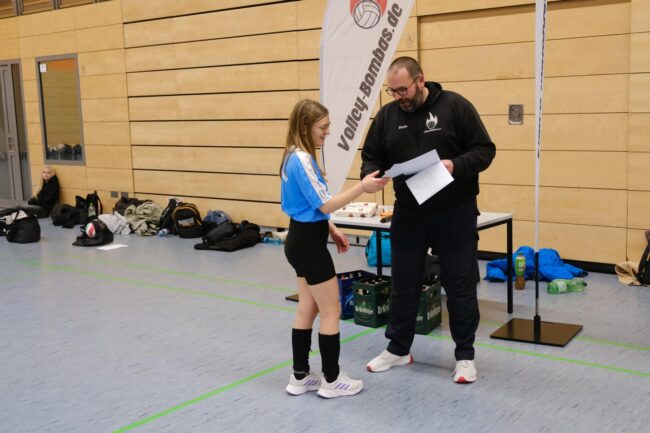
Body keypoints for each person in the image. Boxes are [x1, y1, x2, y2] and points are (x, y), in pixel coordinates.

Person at [361, 56, 496, 383]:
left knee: (460, 285)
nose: (398, 97)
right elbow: (372, 156)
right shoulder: (387, 116)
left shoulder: (455, 106)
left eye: (403, 89)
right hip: (410, 212)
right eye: (392, 91)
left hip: (455, 211)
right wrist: (370, 175)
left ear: (420, 80)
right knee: (403, 283)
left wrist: (455, 165)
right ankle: (398, 349)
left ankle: (465, 355)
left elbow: (484, 150)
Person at [280, 99, 389, 398]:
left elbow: (308, 206)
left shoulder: (291, 156)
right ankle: (331, 379)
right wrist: (361, 187)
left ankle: (300, 376)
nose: (327, 132)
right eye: (323, 127)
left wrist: (331, 229)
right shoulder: (302, 159)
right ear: (305, 126)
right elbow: (326, 204)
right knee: (331, 311)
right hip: (308, 246)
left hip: (300, 240)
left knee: (307, 307)